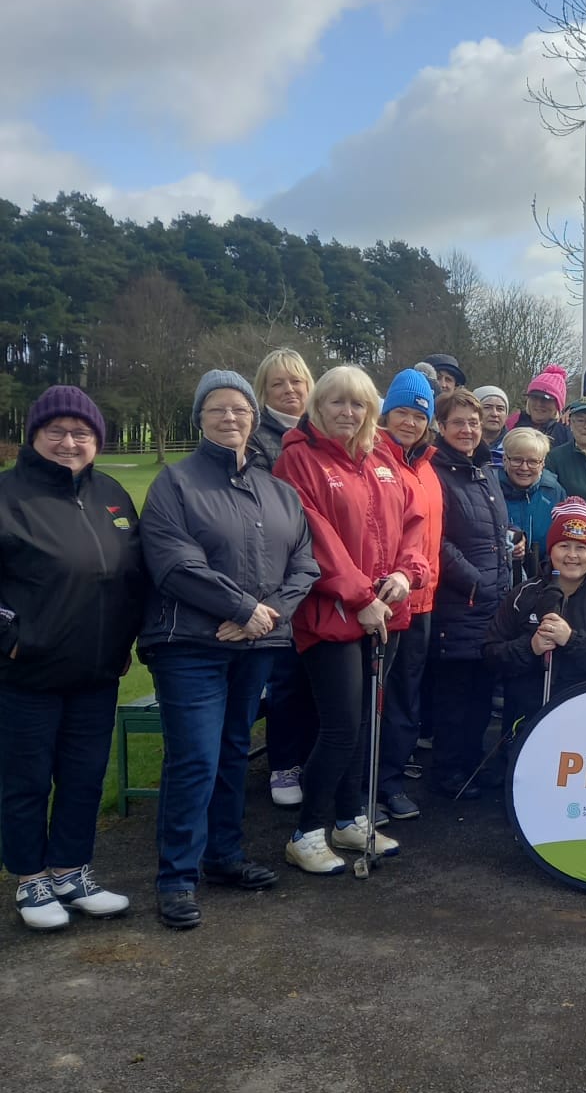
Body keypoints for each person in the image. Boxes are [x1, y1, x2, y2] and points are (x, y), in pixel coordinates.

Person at [139, 371, 319, 928]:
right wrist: (243, 610)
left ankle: (223, 856)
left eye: (240, 408)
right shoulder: (175, 483)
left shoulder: (278, 491)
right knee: (195, 756)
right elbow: (173, 563)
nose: (231, 418)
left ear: (252, 417)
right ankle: (176, 876)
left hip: (257, 643)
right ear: (200, 418)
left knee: (234, 750)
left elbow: (303, 563)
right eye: (217, 409)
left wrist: (266, 616)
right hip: (190, 645)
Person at [274, 365, 430, 875]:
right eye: (337, 402)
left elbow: (413, 525)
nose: (348, 412)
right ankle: (308, 830)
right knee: (341, 725)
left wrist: (407, 575)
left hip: (388, 611)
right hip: (332, 615)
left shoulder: (381, 456)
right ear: (318, 406)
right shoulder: (298, 460)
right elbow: (314, 537)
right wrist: (360, 596)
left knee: (367, 725)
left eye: (358, 404)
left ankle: (350, 817)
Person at [1, 387, 145, 931]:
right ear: (34, 436)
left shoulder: (110, 494)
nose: (69, 442)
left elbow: (133, 577)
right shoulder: (8, 495)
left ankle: (71, 871)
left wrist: (126, 641)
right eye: (56, 431)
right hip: (27, 672)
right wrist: (12, 639)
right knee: (27, 779)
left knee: (84, 775)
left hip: (97, 671)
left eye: (81, 433)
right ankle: (30, 878)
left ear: (96, 441)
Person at [426, 387, 512, 798]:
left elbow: (488, 531)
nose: (467, 429)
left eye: (473, 423)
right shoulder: (436, 472)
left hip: (491, 605)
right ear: (440, 427)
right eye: (458, 422)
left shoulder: (484, 471)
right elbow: (436, 540)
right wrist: (475, 579)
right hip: (460, 603)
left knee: (480, 695)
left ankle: (471, 764)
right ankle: (448, 773)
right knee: (453, 698)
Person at [484, 505, 586, 734]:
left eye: (581, 548)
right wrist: (530, 648)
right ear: (551, 549)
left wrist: (571, 640)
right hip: (525, 719)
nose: (572, 555)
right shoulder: (523, 594)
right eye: (564, 546)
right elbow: (491, 654)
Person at [247, 347, 320, 809]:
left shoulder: (322, 433)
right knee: (288, 678)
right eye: (279, 384)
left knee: (320, 677)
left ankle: (312, 756)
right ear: (264, 392)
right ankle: (284, 764)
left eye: (297, 382)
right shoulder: (257, 441)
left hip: (324, 571)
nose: (290, 391)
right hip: (283, 572)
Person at [372, 371, 442, 823]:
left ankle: (389, 783)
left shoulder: (428, 466)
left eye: (420, 415)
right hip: (382, 599)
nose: (411, 422)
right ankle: (362, 788)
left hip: (423, 601)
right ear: (386, 413)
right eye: (403, 412)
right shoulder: (373, 458)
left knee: (405, 700)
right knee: (372, 700)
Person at [497, 428, 562, 585]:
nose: (524, 468)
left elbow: (561, 541)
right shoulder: (490, 489)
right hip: (499, 583)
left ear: (543, 464)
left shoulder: (553, 491)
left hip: (543, 582)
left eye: (533, 461)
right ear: (505, 459)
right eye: (517, 460)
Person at [507, 366, 573, 452]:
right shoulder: (513, 422)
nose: (539, 404)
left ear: (558, 404)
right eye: (534, 397)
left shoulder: (566, 431)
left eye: (546, 399)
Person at [473, 386, 510, 465]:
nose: (494, 414)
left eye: (500, 409)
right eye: (487, 407)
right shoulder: (462, 443)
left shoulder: (515, 446)